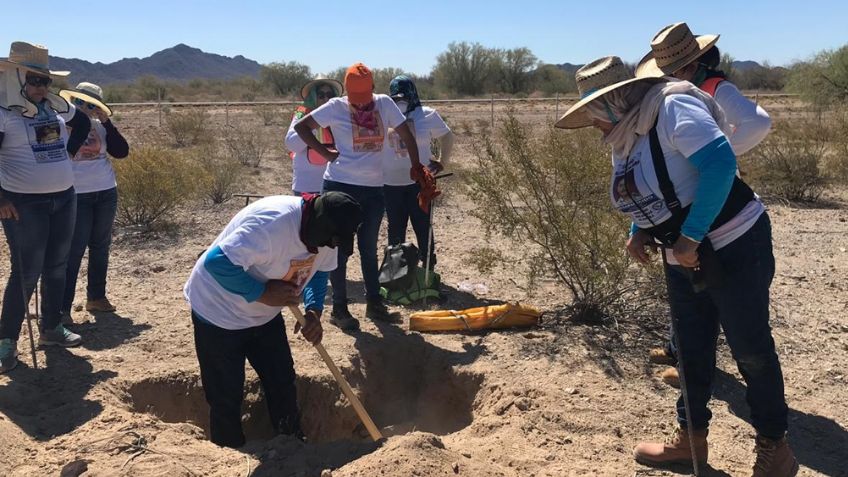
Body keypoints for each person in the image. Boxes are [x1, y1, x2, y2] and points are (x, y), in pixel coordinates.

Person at [555, 55, 797, 476]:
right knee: (689, 349)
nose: (592, 121)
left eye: (595, 109)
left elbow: (720, 164)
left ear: (617, 99)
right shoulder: (625, 134)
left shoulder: (671, 107)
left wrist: (692, 235)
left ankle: (775, 449)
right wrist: (638, 229)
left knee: (750, 350)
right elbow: (645, 185)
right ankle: (690, 441)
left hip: (735, 242)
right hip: (682, 253)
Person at [636, 23, 774, 388]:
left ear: (689, 64)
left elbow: (758, 123)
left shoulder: (716, 88)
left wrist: (714, 153)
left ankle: (751, 394)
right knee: (687, 281)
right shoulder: (676, 94)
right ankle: (680, 351)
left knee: (712, 283)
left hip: (716, 200)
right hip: (690, 198)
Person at [183, 191, 362, 448]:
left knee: (282, 381)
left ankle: (290, 442)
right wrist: (263, 293)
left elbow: (319, 271)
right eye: (331, 240)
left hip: (265, 316)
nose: (332, 247)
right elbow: (216, 262)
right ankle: (230, 450)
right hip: (218, 313)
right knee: (226, 393)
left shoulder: (328, 237)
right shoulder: (270, 225)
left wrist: (314, 311)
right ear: (319, 227)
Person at [293, 63, 426, 331]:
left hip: (373, 189)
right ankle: (339, 309)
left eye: (364, 97)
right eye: (356, 98)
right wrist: (326, 152)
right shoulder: (335, 107)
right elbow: (302, 127)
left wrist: (417, 167)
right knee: (338, 249)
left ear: (373, 88)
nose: (361, 103)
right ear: (347, 91)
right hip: (339, 186)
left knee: (368, 246)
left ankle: (374, 303)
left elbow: (406, 134)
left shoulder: (385, 104)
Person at [0, 42, 92, 374]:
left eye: (45, 81)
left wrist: (68, 153)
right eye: (34, 80)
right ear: (16, 78)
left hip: (64, 198)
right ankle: (6, 342)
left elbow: (83, 123)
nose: (41, 87)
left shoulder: (54, 107)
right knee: (26, 272)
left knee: (57, 266)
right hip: (24, 203)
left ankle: (51, 327)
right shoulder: (4, 112)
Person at [59, 82, 129, 324]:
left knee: (100, 246)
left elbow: (121, 152)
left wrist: (106, 123)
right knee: (74, 250)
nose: (83, 107)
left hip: (105, 191)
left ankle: (96, 297)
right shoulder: (61, 124)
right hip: (76, 193)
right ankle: (62, 308)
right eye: (78, 102)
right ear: (71, 102)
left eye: (90, 104)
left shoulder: (100, 127)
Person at [383, 75, 454, 268]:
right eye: (396, 97)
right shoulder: (384, 116)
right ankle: (396, 272)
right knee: (395, 229)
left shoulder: (427, 115)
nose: (401, 101)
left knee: (423, 226)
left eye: (404, 96)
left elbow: (447, 136)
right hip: (391, 184)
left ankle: (428, 267)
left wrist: (442, 162)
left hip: (420, 183)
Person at [284, 78, 343, 196]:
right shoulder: (301, 114)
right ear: (313, 97)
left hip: (333, 183)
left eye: (329, 95)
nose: (326, 99)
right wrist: (314, 123)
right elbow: (292, 144)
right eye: (321, 95)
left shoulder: (339, 116)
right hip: (306, 186)